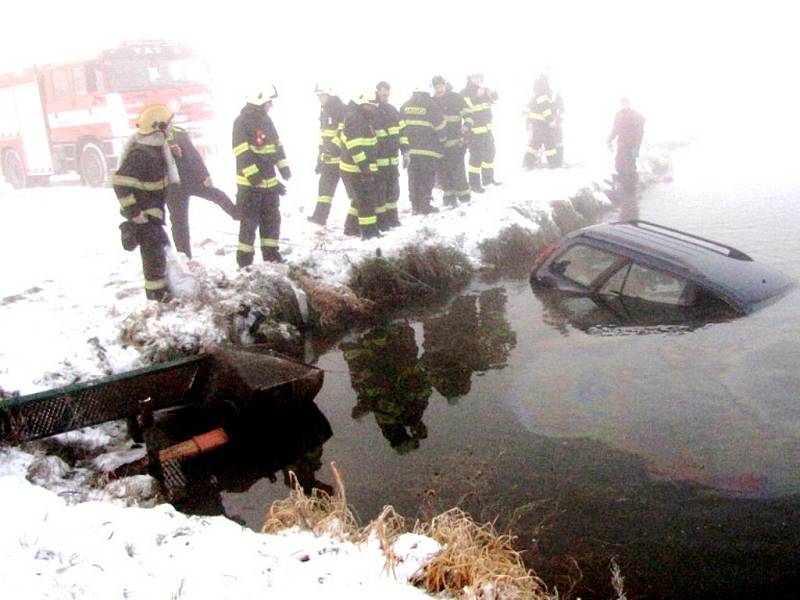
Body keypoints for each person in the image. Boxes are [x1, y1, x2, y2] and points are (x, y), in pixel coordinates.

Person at [113, 104, 175, 301]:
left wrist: (172, 154)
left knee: (159, 251)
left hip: (153, 214)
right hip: (145, 216)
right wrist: (134, 212)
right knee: (154, 257)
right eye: (170, 124)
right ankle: (156, 296)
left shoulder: (155, 149)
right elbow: (120, 182)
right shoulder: (142, 154)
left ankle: (160, 293)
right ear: (159, 127)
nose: (172, 127)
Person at [231, 86, 292, 266]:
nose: (271, 105)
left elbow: (277, 146)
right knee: (249, 225)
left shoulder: (267, 121)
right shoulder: (241, 122)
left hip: (269, 184)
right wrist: (254, 177)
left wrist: (284, 169)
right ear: (259, 101)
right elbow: (241, 151)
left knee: (272, 221)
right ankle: (245, 262)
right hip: (249, 186)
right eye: (268, 102)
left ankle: (271, 256)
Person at [165, 125, 239, 259]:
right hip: (173, 186)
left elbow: (193, 156)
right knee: (179, 223)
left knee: (216, 195)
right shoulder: (155, 138)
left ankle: (237, 213)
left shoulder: (178, 132)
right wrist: (168, 151)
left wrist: (204, 175)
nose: (170, 124)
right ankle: (185, 257)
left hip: (191, 178)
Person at [336, 90, 381, 239]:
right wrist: (365, 169)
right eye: (372, 106)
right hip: (355, 169)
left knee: (359, 200)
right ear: (363, 105)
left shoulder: (362, 118)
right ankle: (369, 233)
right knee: (366, 201)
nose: (374, 110)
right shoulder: (355, 119)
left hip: (358, 168)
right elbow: (355, 147)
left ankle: (351, 228)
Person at [400, 82, 446, 215]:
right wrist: (442, 141)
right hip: (428, 151)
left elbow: (399, 126)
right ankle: (425, 206)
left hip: (410, 151)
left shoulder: (405, 106)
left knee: (413, 178)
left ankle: (415, 206)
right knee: (426, 178)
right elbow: (440, 126)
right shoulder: (431, 105)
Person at [307, 84, 346, 226]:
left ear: (329, 93)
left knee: (353, 193)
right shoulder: (325, 111)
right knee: (324, 192)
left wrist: (333, 149)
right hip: (328, 160)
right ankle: (319, 217)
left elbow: (343, 132)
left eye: (321, 95)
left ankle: (360, 221)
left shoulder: (341, 109)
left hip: (343, 160)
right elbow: (324, 138)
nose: (319, 99)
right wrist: (320, 159)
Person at [432, 75, 471, 207]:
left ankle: (465, 197)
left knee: (458, 170)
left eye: (441, 85)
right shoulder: (431, 102)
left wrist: (467, 126)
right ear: (433, 87)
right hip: (440, 146)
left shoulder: (455, 98)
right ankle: (449, 198)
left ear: (445, 85)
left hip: (456, 143)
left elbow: (468, 114)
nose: (439, 88)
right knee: (443, 173)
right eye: (436, 86)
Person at [460, 72, 499, 193]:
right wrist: (478, 96)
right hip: (474, 131)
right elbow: (467, 109)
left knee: (490, 153)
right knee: (476, 157)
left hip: (487, 129)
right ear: (469, 78)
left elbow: (494, 99)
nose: (477, 79)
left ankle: (488, 179)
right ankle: (474, 184)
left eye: (478, 77)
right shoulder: (465, 93)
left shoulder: (483, 90)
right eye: (474, 77)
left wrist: (493, 92)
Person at [374, 81, 406, 229]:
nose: (385, 93)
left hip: (393, 161)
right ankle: (381, 222)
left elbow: (402, 132)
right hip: (379, 161)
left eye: (387, 91)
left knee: (393, 192)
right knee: (380, 193)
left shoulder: (393, 110)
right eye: (382, 91)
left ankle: (393, 219)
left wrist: (406, 151)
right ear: (377, 91)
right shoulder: (372, 110)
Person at [607, 97, 645, 194]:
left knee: (630, 166)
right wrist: (609, 139)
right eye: (622, 104)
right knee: (619, 165)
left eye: (626, 103)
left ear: (629, 104)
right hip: (621, 144)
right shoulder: (618, 115)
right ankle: (625, 188)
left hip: (632, 145)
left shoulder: (635, 115)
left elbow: (639, 133)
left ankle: (632, 190)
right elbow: (615, 129)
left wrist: (636, 147)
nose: (624, 105)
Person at [523, 70, 559, 169]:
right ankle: (554, 164)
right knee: (548, 141)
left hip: (539, 120)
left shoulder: (542, 82)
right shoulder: (542, 83)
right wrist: (550, 119)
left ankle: (528, 163)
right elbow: (544, 104)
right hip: (541, 120)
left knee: (536, 142)